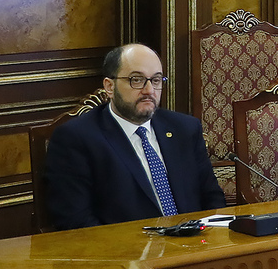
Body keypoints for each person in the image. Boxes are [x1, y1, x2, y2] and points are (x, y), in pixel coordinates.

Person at [44, 44, 225, 230]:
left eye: (156, 80)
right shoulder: (76, 139)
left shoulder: (185, 129)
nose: (149, 90)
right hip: (126, 246)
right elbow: (75, 220)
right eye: (136, 80)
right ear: (109, 86)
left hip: (194, 242)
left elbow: (212, 198)